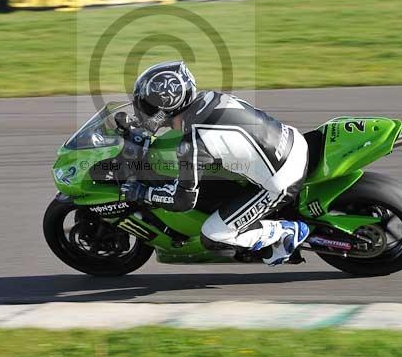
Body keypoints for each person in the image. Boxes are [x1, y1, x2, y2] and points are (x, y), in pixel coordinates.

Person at [120, 60, 310, 266]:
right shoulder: (209, 98)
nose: (142, 110)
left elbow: (183, 201)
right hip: (291, 141)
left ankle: (286, 232)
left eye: (147, 106)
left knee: (213, 235)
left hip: (282, 179)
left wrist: (143, 193)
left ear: (165, 106)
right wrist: (134, 127)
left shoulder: (193, 142)